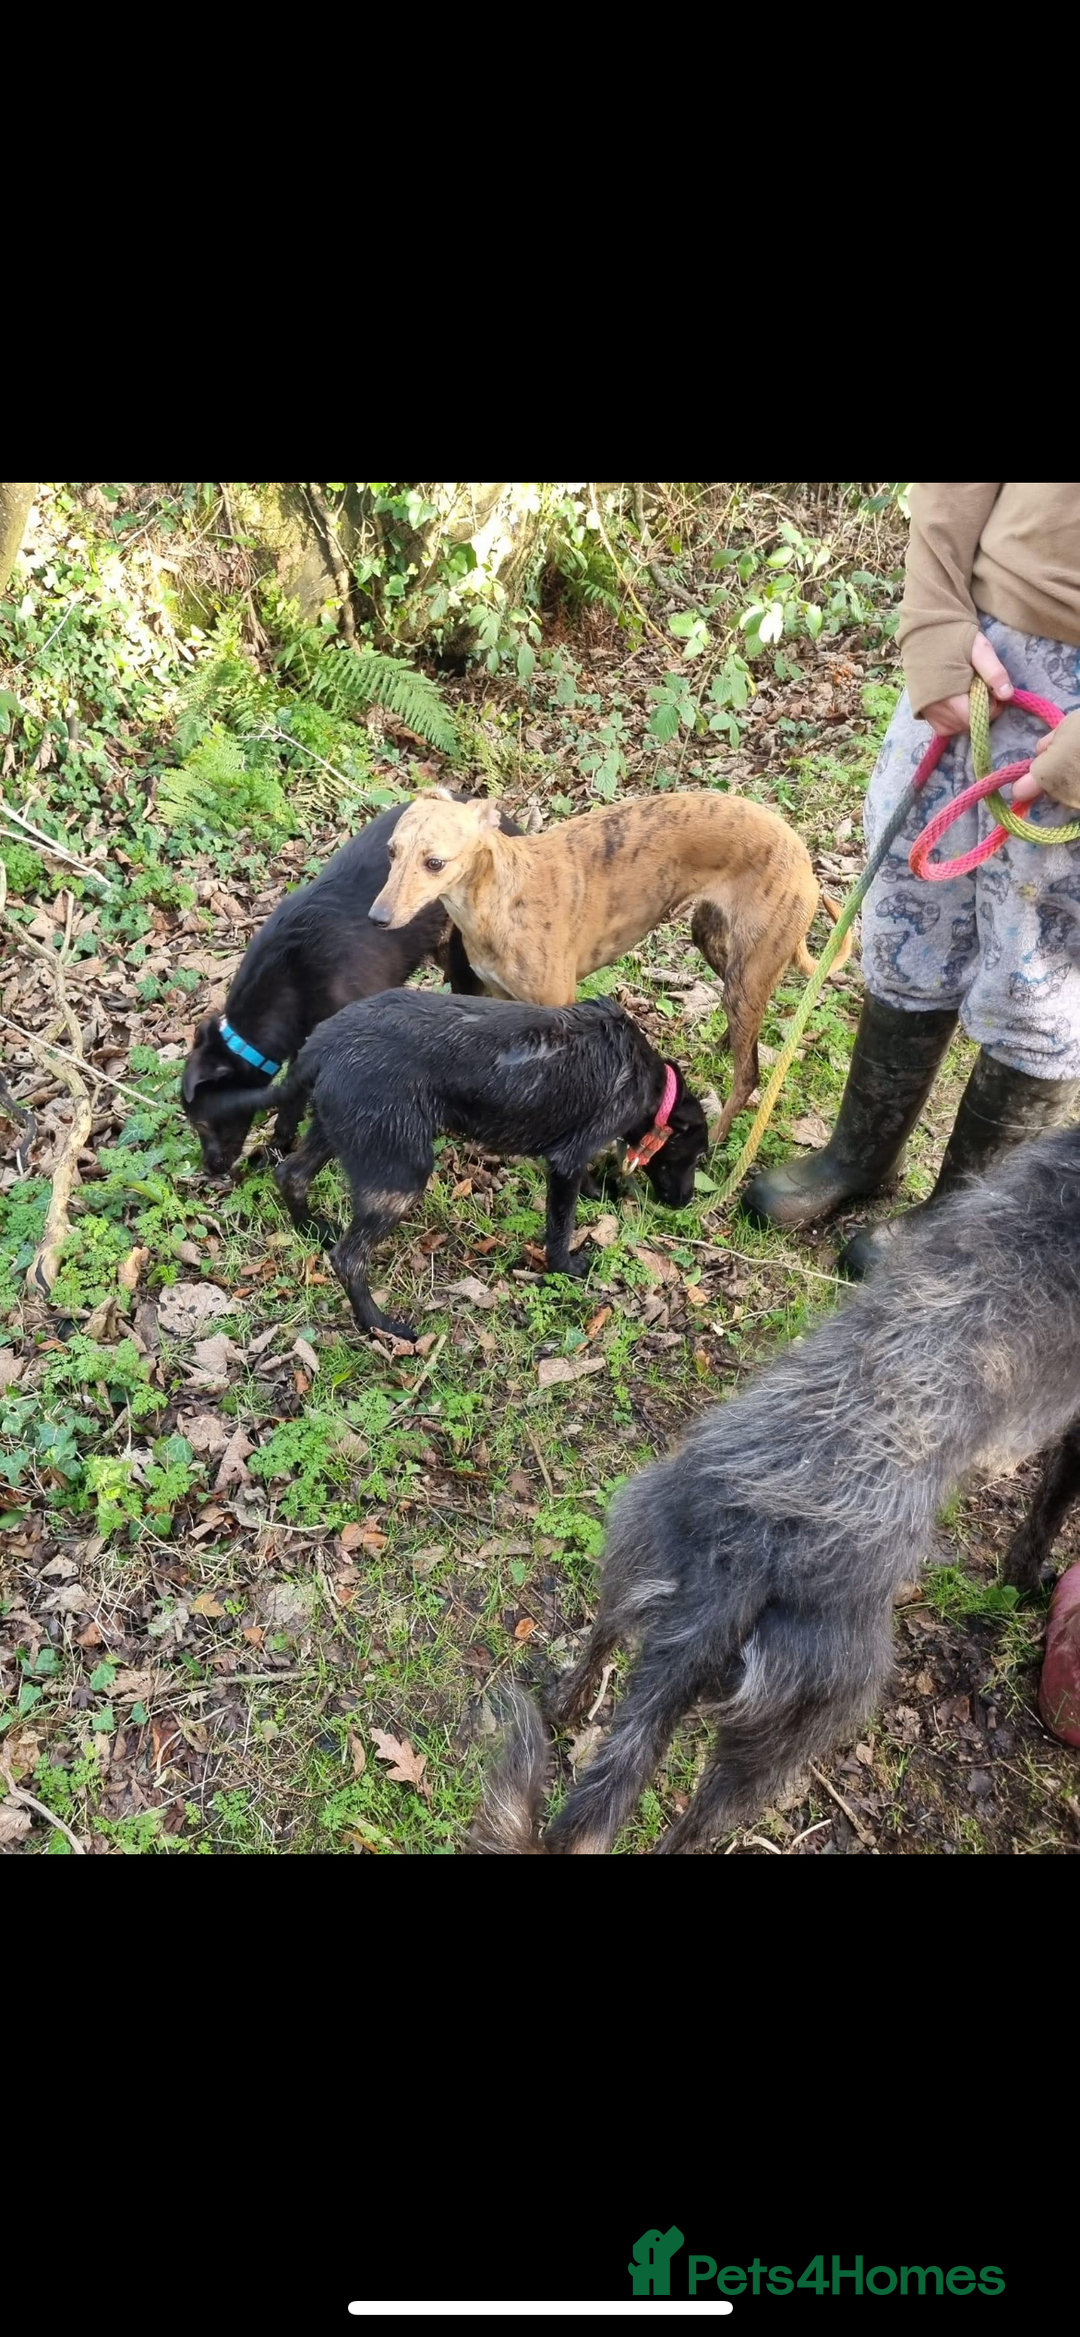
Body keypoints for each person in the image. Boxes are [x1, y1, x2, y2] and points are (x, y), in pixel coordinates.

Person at [745, 484, 1080, 1271]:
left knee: (1040, 970)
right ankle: (861, 1155)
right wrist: (934, 624)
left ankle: (967, 1221)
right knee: (909, 908)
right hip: (978, 656)